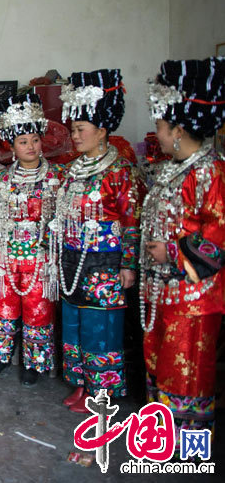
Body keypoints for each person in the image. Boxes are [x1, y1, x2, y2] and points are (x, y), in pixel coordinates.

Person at [49, 69, 143, 413]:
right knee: (72, 322)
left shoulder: (119, 172)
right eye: (73, 129)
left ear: (101, 131)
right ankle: (80, 383)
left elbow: (132, 221)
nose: (74, 136)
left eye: (80, 130)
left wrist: (129, 264)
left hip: (103, 261)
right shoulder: (71, 170)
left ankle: (100, 390)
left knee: (99, 326)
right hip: (72, 257)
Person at [141, 57, 225, 444]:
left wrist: (175, 254)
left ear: (178, 129)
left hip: (194, 295)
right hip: (163, 289)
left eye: (159, 125)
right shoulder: (174, 168)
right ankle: (161, 435)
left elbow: (219, 232)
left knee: (187, 368)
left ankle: (190, 448)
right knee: (160, 360)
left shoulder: (209, 171)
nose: (155, 133)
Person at [0, 93, 63, 385]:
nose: (30, 146)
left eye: (34, 140)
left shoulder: (57, 177)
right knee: (2, 307)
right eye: (23, 142)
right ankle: (0, 357)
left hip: (40, 256)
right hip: (5, 254)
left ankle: (34, 364)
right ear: (11, 146)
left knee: (38, 310)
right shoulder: (1, 179)